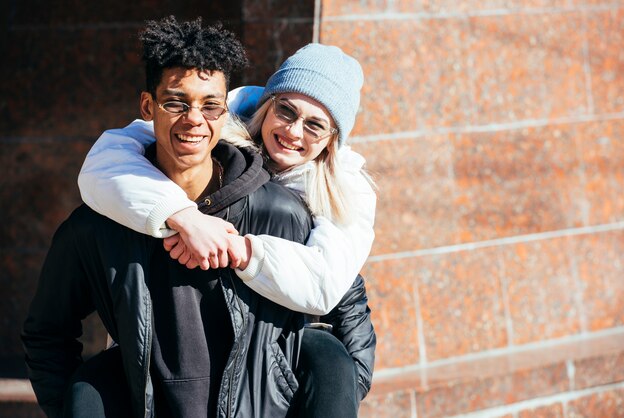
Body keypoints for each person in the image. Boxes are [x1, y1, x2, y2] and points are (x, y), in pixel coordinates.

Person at [22, 16, 372, 418]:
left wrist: (345, 382)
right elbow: (47, 333)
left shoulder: (304, 207)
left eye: (315, 125)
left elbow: (341, 290)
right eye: (175, 102)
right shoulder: (100, 219)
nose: (294, 132)